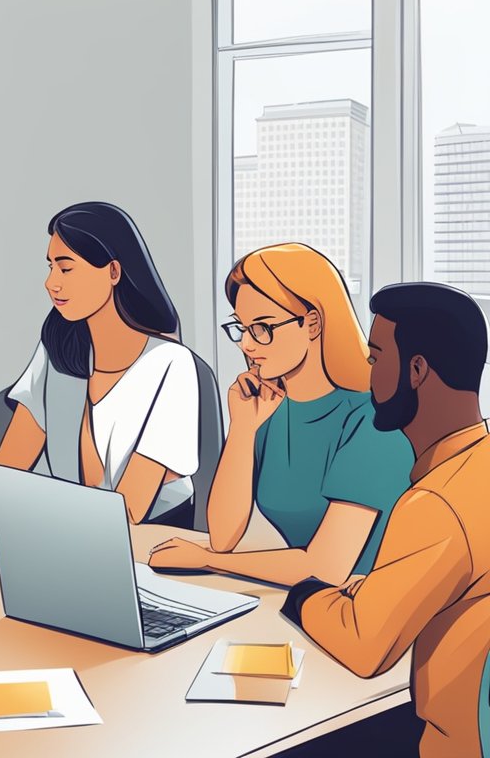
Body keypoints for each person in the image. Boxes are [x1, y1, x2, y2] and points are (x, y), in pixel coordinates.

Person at [281, 282, 490, 758]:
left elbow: (363, 646)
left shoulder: (437, 502)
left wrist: (305, 595)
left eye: (376, 359)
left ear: (416, 370)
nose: (369, 374)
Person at [150, 244, 414, 585]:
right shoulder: (268, 409)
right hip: (296, 599)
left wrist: (207, 561)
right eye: (241, 328)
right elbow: (223, 536)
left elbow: (327, 567)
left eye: (262, 328)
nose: (247, 344)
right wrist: (243, 428)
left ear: (312, 323)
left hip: (358, 610)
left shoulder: (372, 423)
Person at [0, 201, 200, 525]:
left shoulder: (170, 364)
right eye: (50, 268)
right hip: (70, 528)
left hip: (150, 538)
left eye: (66, 268)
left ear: (113, 272)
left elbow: (128, 509)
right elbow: (13, 464)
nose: (51, 283)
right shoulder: (61, 346)